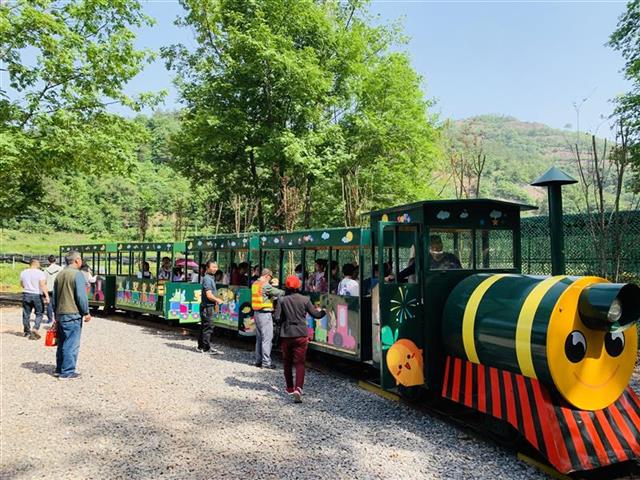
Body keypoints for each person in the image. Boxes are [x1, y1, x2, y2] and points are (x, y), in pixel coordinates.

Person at [274, 275, 325, 403]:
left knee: (287, 362)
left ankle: (289, 388)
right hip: (301, 334)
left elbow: (277, 318)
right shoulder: (305, 299)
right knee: (300, 363)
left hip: (286, 335)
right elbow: (316, 315)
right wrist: (324, 311)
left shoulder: (282, 300)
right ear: (298, 286)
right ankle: (298, 388)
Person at [52, 250, 91, 379]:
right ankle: (67, 371)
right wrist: (86, 312)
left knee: (62, 342)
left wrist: (55, 314)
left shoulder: (60, 274)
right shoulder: (77, 275)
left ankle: (59, 369)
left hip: (60, 313)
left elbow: (54, 297)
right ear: (77, 260)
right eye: (80, 259)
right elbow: (81, 296)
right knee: (71, 343)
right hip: (72, 313)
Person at [251, 268, 284, 369]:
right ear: (267, 276)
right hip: (264, 314)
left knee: (259, 338)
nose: (271, 279)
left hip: (256, 313)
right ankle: (266, 363)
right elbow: (279, 292)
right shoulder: (265, 285)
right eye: (270, 277)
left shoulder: (255, 284)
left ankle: (258, 360)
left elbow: (264, 296)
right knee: (267, 338)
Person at [198, 261, 224, 355]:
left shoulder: (210, 278)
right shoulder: (207, 279)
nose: (215, 269)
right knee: (208, 327)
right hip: (208, 307)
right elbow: (209, 295)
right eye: (213, 267)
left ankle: (201, 346)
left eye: (216, 267)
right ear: (207, 268)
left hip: (207, 306)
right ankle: (206, 348)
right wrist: (217, 300)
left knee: (204, 326)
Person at [20, 258, 49, 339]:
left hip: (26, 294)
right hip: (37, 295)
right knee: (39, 313)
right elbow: (42, 285)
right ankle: (35, 328)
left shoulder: (23, 272)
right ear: (36, 263)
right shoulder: (40, 273)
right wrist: (47, 296)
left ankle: (26, 331)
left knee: (26, 314)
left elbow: (22, 284)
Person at [43, 255, 62, 324]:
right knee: (58, 304)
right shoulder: (60, 269)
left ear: (48, 261)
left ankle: (50, 319)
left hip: (49, 289)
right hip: (57, 288)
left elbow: (44, 281)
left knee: (49, 304)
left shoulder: (46, 270)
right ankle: (57, 319)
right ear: (55, 260)